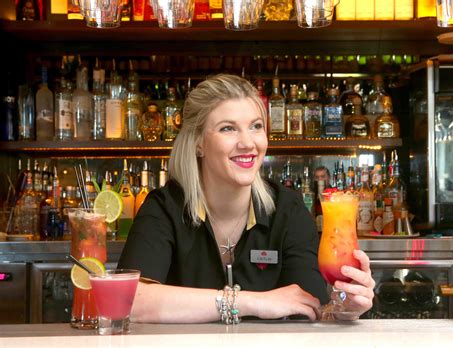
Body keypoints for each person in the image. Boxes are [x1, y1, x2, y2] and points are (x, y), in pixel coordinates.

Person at [118, 74, 375, 324]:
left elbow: (312, 306)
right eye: (228, 128)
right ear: (198, 143)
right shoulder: (165, 208)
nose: (248, 143)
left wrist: (343, 306)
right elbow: (129, 301)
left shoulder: (287, 210)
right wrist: (249, 302)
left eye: (256, 126)